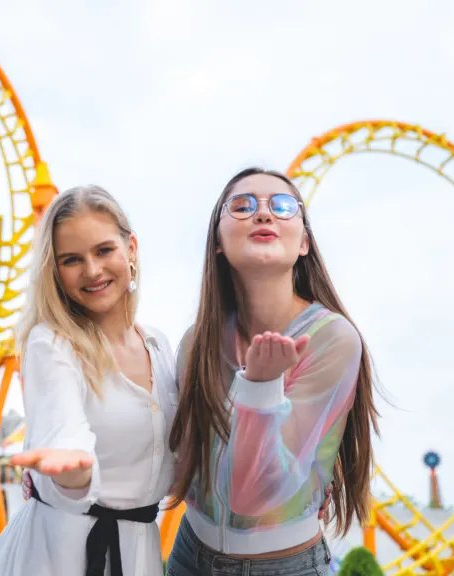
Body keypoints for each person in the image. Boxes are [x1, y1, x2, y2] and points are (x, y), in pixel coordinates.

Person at [165, 168, 379, 576]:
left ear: (303, 243)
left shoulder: (332, 339)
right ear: (217, 244)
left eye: (282, 206)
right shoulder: (198, 342)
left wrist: (261, 389)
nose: (264, 214)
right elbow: (178, 461)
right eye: (242, 206)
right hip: (189, 553)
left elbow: (251, 498)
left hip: (283, 565)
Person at [0, 185, 176, 576]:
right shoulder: (50, 343)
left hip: (139, 553)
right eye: (72, 259)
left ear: (131, 249)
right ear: (55, 272)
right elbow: (63, 426)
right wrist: (73, 471)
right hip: (56, 554)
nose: (92, 270)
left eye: (104, 250)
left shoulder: (160, 345)